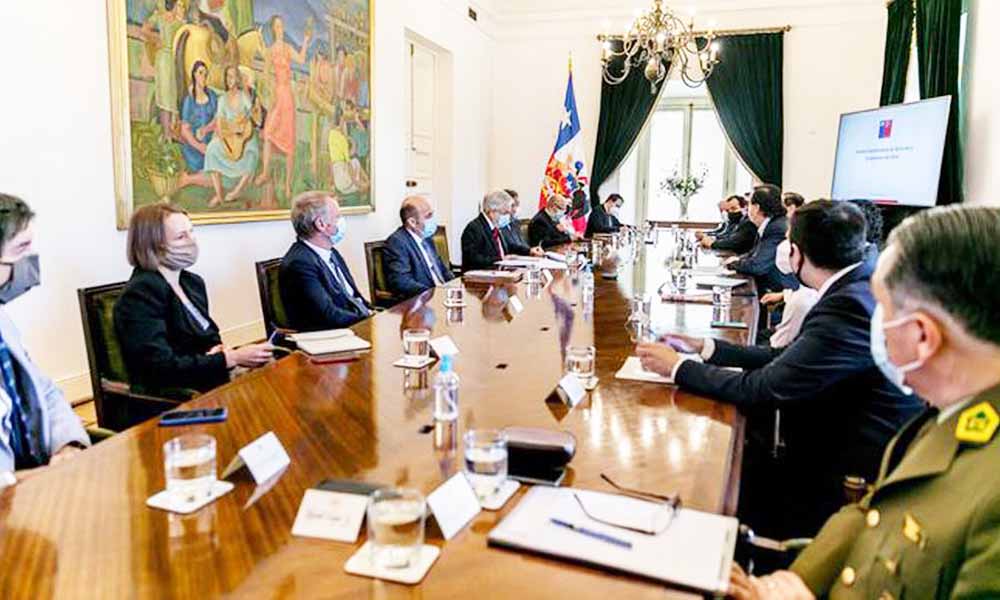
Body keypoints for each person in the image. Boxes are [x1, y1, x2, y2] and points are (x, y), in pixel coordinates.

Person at [729, 206, 1000, 600]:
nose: (877, 324)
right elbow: (871, 515)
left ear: (923, 336)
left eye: (884, 310)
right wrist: (793, 583)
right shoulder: (950, 416)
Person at [636, 201, 924, 539]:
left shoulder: (849, 304)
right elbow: (786, 356)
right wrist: (705, 347)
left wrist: (677, 367)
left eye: (788, 240)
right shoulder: (856, 286)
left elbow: (763, 388)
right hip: (838, 438)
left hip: (842, 469)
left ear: (797, 254)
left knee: (718, 471)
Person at [114, 204, 273, 395]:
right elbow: (159, 367)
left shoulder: (192, 282)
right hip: (175, 395)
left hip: (206, 379)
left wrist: (218, 350)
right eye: (181, 236)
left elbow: (209, 338)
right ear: (153, 245)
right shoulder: (140, 293)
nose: (192, 241)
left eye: (192, 232)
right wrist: (230, 358)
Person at [0, 194, 89, 480]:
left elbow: (44, 390)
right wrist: (34, 479)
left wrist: (68, 445)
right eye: (22, 247)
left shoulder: (3, 321)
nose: (31, 258)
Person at [279, 192, 373, 332]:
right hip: (332, 334)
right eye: (337, 217)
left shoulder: (331, 252)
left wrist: (373, 312)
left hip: (355, 323)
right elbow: (328, 314)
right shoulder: (300, 263)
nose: (341, 221)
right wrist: (368, 319)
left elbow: (353, 296)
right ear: (321, 224)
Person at [255, 15, 312, 199]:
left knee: (289, 141)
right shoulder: (271, 50)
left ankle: (287, 185)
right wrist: (270, 91)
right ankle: (265, 172)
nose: (280, 29)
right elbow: (265, 74)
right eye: (277, 26)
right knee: (268, 133)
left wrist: (305, 40)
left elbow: (301, 59)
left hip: (287, 96)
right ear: (273, 29)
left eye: (281, 26)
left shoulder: (287, 48)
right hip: (276, 95)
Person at [203, 65, 260, 206]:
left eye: (233, 76)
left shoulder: (243, 96)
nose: (230, 79)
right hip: (228, 135)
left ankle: (236, 192)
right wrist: (227, 133)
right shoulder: (222, 99)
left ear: (238, 79)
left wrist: (254, 112)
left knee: (251, 154)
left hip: (243, 137)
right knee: (211, 149)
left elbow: (254, 118)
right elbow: (220, 122)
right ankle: (219, 194)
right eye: (228, 76)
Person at [728, 185, 796, 295]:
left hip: (780, 293)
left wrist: (734, 263)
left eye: (749, 204)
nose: (747, 209)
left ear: (756, 208)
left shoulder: (776, 228)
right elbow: (754, 252)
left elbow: (757, 266)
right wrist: (739, 259)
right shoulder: (771, 224)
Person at [384, 196, 454, 299]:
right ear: (412, 222)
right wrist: (433, 293)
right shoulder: (397, 242)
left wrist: (455, 285)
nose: (433, 219)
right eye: (428, 216)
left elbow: (442, 270)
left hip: (443, 295)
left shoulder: (427, 238)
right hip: (422, 299)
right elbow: (402, 281)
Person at [461, 190, 542, 272]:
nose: (508, 217)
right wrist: (500, 259)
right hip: (481, 277)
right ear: (492, 211)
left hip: (500, 273)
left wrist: (529, 251)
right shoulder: (474, 229)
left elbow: (509, 246)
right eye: (505, 213)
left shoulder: (495, 226)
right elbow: (473, 260)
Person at [140, 0, 185, 142]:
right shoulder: (160, 16)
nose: (181, 7)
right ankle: (166, 133)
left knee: (173, 95)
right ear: (173, 5)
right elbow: (144, 30)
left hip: (175, 59)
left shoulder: (180, 22)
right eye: (179, 5)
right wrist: (156, 39)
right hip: (164, 59)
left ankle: (173, 132)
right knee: (165, 95)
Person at [177, 60, 217, 190]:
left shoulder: (212, 96)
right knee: (213, 174)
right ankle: (193, 177)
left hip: (211, 143)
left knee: (221, 173)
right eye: (200, 73)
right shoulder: (189, 101)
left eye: (206, 74)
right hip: (194, 146)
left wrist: (207, 130)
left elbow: (217, 120)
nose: (203, 77)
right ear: (194, 75)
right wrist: (199, 146)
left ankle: (189, 179)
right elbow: (184, 130)